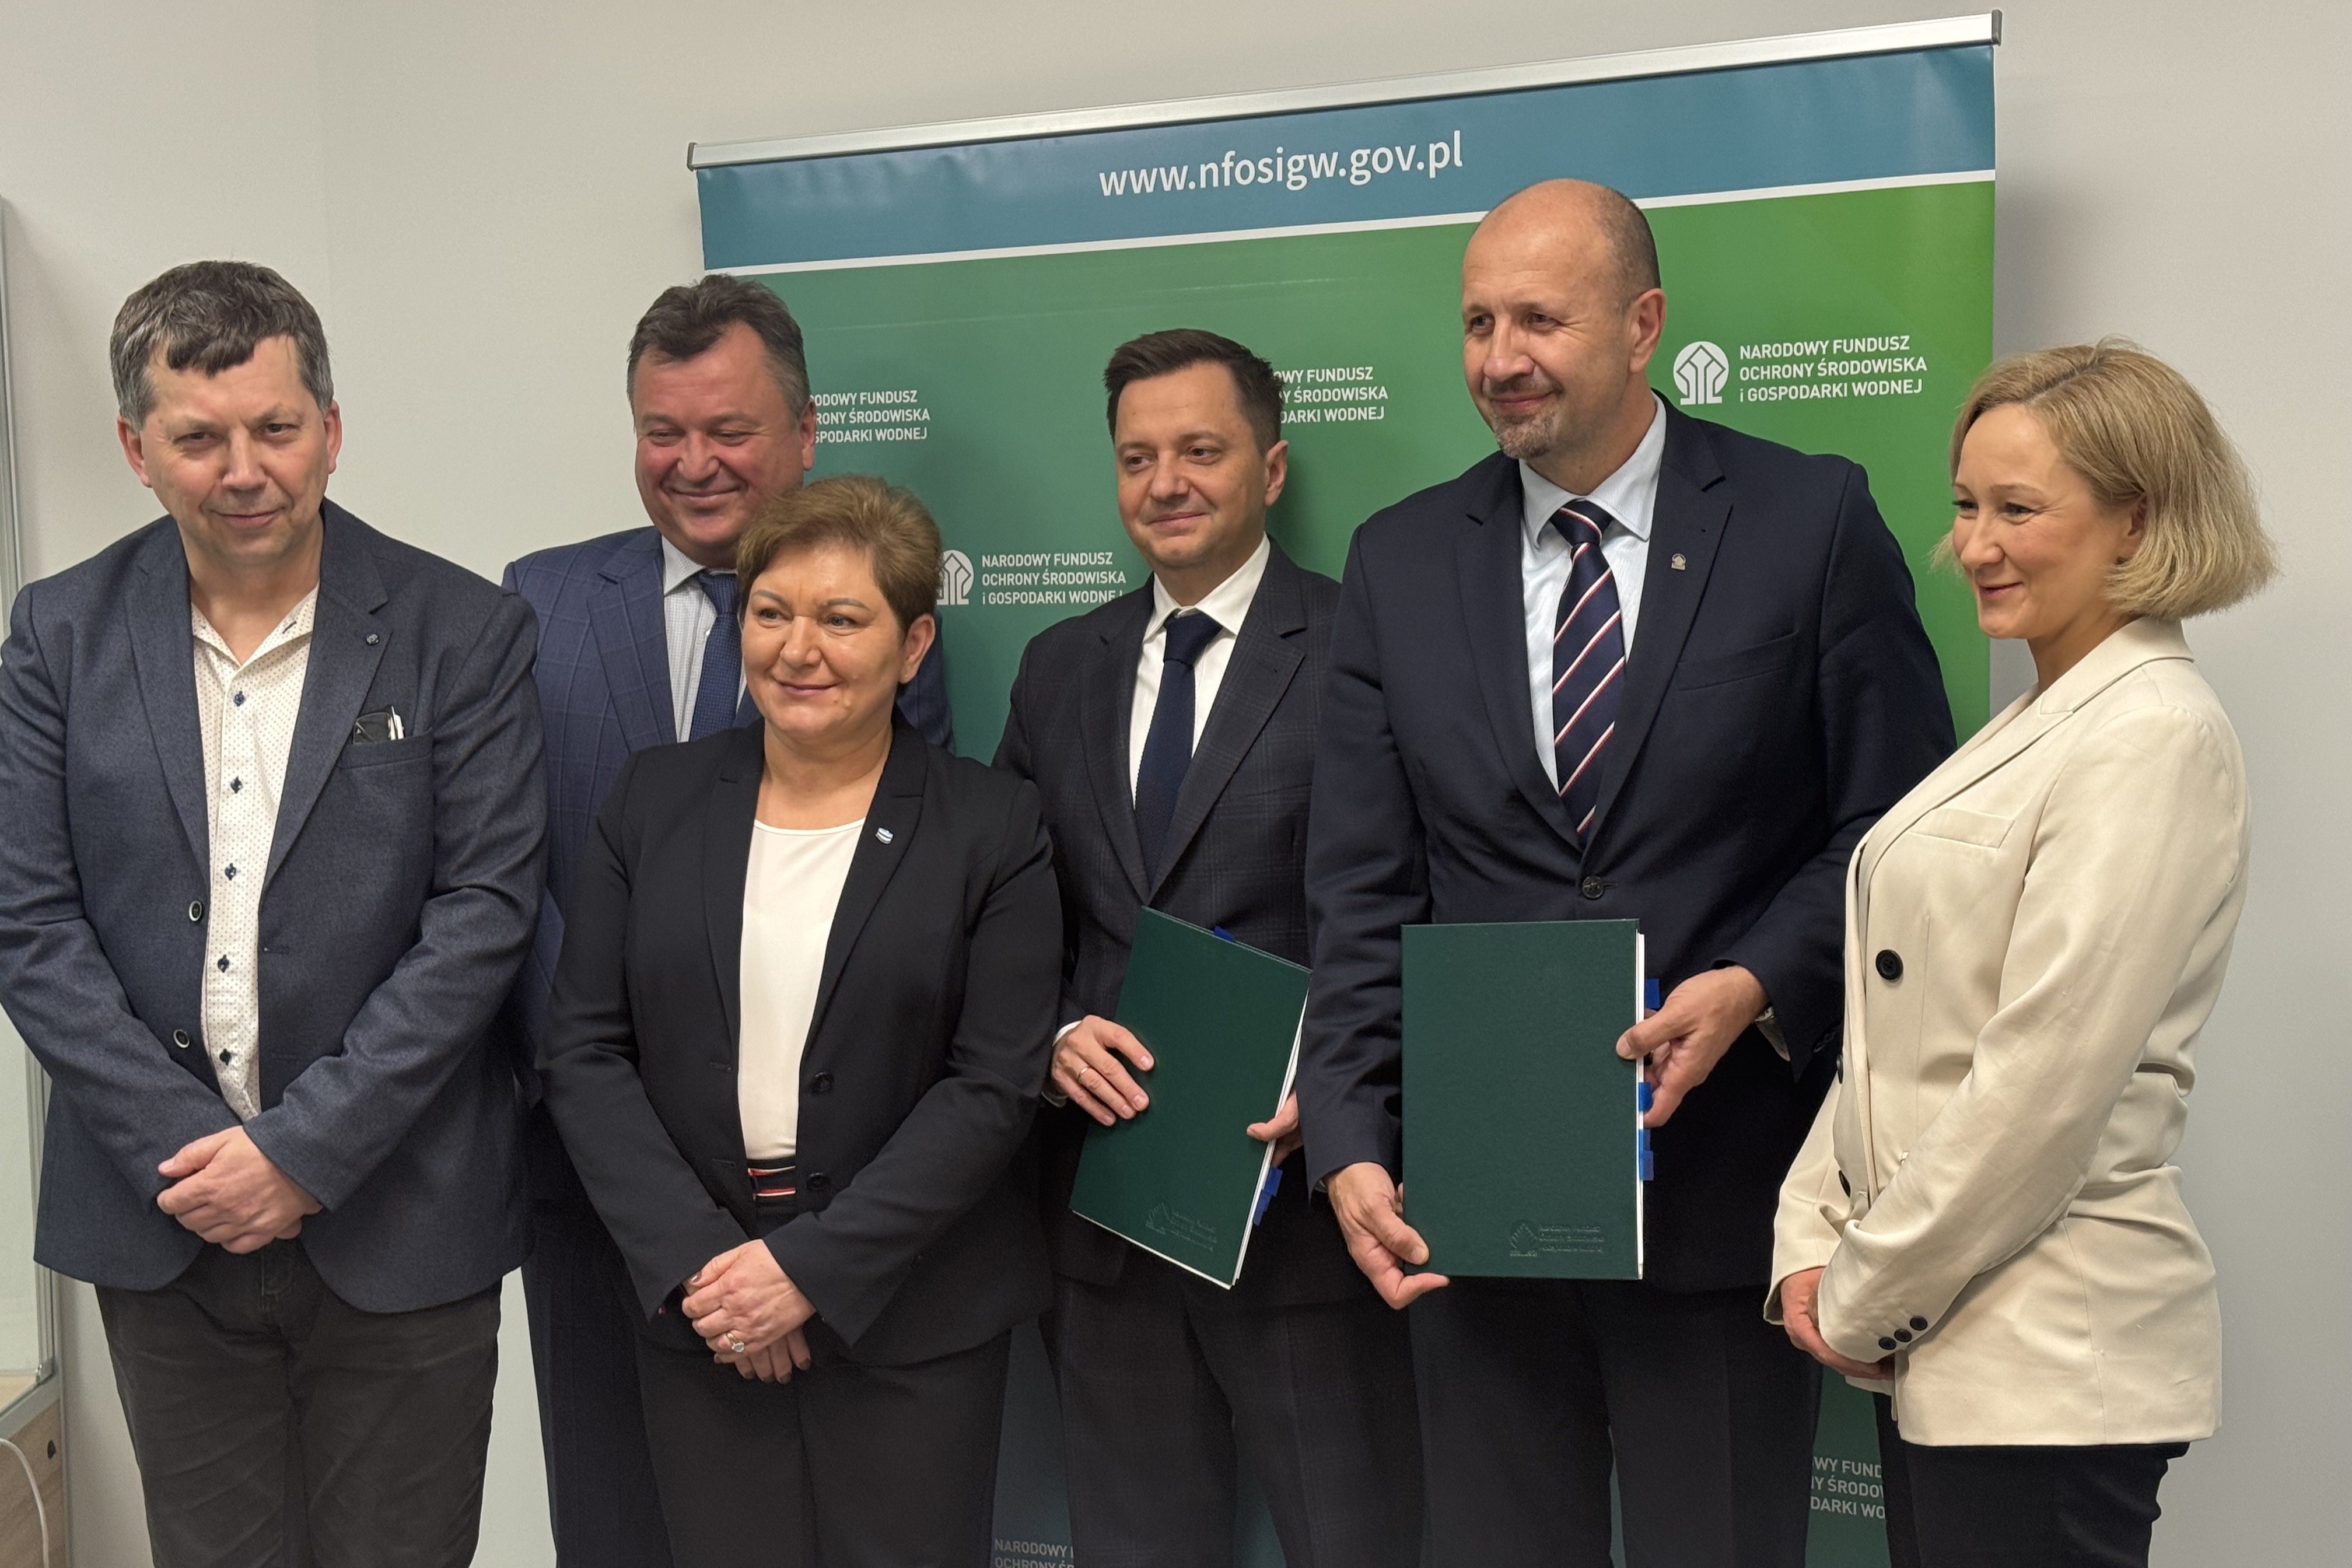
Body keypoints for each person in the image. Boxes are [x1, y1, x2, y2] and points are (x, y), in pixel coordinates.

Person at [1297, 179, 1956, 1566]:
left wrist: (1759, 982)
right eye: (1478, 322)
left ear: (1645, 324)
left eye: (1540, 319)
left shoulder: (1809, 519)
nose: (1500, 357)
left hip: (1725, 1195)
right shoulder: (1400, 561)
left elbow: (1896, 826)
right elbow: (1364, 888)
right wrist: (1353, 1136)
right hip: (1474, 1206)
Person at [0, 261, 544, 1564]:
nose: (245, 471)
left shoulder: (463, 629)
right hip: (163, 1217)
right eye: (200, 438)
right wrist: (198, 1154)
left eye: (277, 429)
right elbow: (29, 919)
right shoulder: (59, 635)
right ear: (136, 448)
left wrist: (302, 1153)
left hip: (403, 1214)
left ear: (332, 430)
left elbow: (482, 914)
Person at [1770, 342, 2274, 1568]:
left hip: (2048, 1357)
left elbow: (2039, 1089)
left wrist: (1861, 1292)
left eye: (2019, 510)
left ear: (2136, 521)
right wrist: (1808, 1234)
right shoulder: (2042, 717)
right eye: (1966, 505)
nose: (1977, 546)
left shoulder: (2152, 734)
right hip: (1957, 1340)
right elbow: (1901, 1037)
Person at [501, 275, 954, 1566]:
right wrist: (611, 1103)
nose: (693, 463)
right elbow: (499, 874)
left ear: (805, 433)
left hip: (819, 1196)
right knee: (614, 1522)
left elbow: (905, 903)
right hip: (595, 1178)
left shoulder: (883, 624)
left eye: (729, 430)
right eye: (663, 431)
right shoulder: (535, 603)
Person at [538, 474, 1060, 1568]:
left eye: (842, 618)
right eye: (770, 612)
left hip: (915, 1320)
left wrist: (809, 1272)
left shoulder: (992, 825)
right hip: (705, 1314)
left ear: (914, 646)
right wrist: (712, 1268)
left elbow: (993, 1084)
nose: (798, 649)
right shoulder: (652, 800)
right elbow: (584, 1049)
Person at [995, 328, 1422, 1567]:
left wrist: (1343, 1086)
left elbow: (1427, 898)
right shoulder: (1056, 668)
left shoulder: (1364, 646)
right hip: (1109, 1219)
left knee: (1357, 1544)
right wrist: (1052, 1035)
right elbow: (1005, 914)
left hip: (1307, 1217)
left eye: (1201, 451)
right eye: (1138, 458)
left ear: (1272, 469)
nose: (1166, 483)